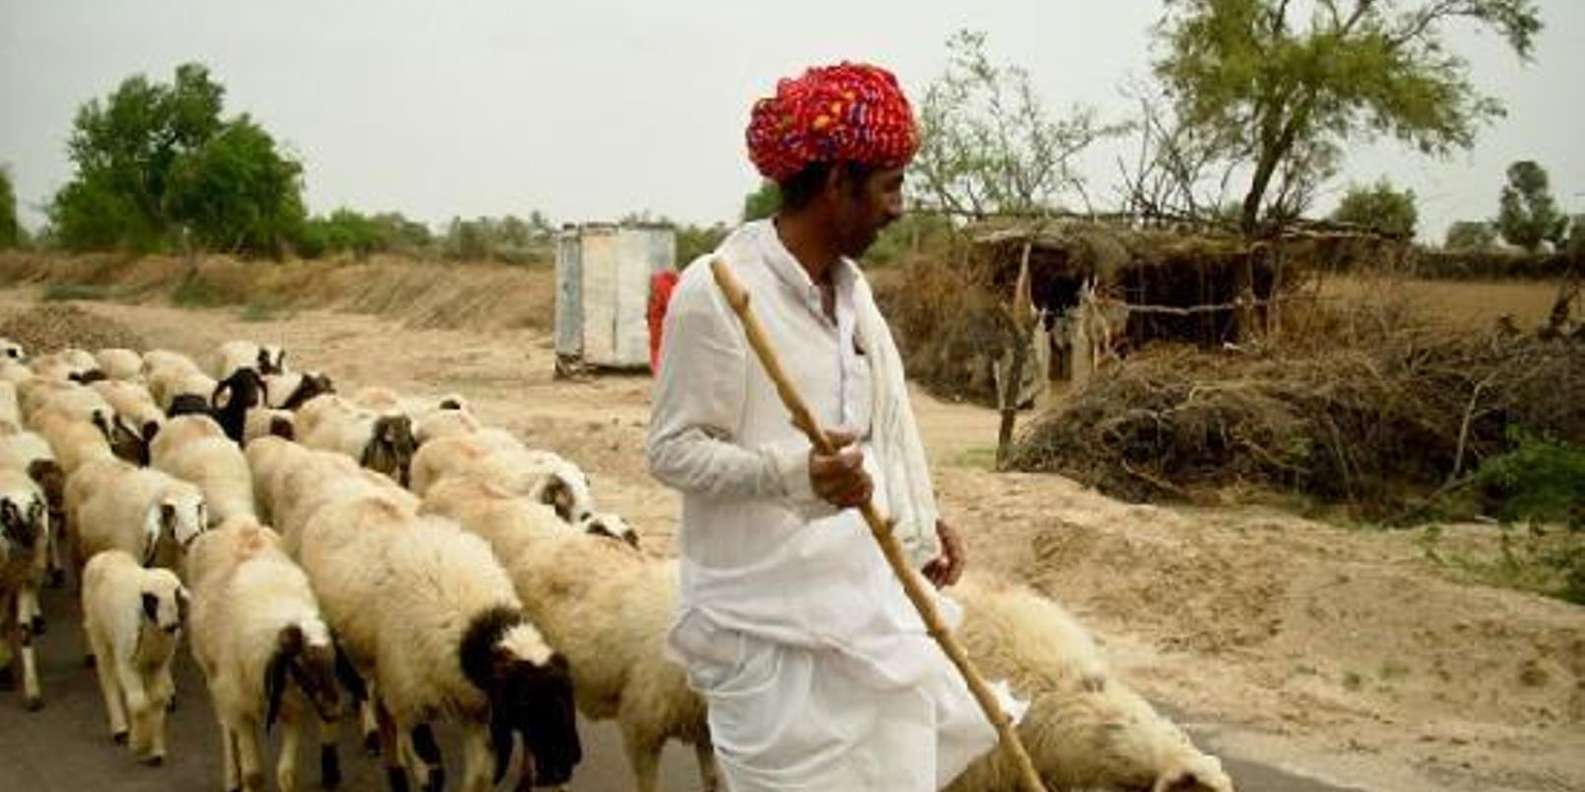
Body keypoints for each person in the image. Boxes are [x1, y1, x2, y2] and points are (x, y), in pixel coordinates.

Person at [646, 61, 1021, 791]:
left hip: (863, 610)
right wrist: (793, 476)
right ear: (837, 182)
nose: (898, 207)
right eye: (888, 186)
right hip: (764, 636)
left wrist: (917, 516)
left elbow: (876, 432)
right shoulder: (718, 292)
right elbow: (671, 451)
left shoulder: (853, 298)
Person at [648, 267, 680, 372]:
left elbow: (667, 305)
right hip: (660, 330)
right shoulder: (670, 285)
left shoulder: (661, 284)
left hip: (661, 331)